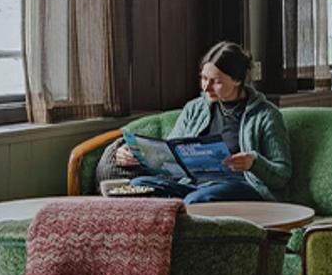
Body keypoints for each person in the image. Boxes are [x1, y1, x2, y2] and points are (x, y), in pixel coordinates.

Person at [116, 41, 292, 203]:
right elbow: (169, 153)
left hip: (239, 186)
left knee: (197, 199)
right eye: (204, 78)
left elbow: (282, 175)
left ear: (237, 80)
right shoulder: (195, 109)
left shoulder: (266, 115)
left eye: (216, 82)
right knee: (138, 185)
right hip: (191, 185)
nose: (206, 87)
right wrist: (137, 154)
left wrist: (254, 162)